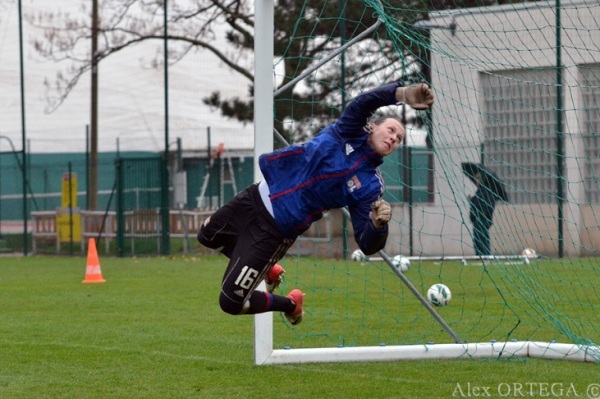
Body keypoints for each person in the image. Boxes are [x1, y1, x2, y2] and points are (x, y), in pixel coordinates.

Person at [197, 82, 435, 325]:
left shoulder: (371, 185)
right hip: (254, 197)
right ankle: (267, 269)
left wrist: (378, 225)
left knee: (231, 302)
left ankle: (290, 304)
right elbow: (365, 101)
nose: (394, 138)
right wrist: (403, 94)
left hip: (273, 231)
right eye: (392, 130)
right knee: (207, 236)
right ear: (372, 126)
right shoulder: (348, 130)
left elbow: (367, 243)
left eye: (399, 139)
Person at [469, 172, 498, 256]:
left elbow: (487, 205)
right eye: (477, 178)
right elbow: (478, 202)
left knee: (482, 238)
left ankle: (485, 255)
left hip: (483, 218)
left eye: (479, 178)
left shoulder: (487, 190)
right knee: (477, 238)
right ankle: (480, 255)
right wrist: (472, 200)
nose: (477, 180)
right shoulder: (480, 190)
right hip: (477, 218)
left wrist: (481, 213)